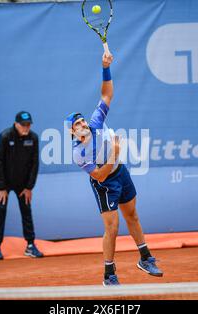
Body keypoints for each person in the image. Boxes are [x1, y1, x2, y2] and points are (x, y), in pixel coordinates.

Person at [65, 52, 163, 286]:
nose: (82, 124)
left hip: (121, 173)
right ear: (72, 133)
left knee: (132, 215)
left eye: (81, 121)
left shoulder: (96, 122)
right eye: (76, 125)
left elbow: (107, 94)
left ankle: (145, 258)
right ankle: (109, 275)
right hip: (104, 183)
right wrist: (114, 154)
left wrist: (105, 67)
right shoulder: (78, 153)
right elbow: (99, 175)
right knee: (112, 227)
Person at [0, 111, 44, 260]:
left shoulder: (33, 138)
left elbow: (35, 164)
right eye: (23, 125)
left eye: (28, 125)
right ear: (16, 124)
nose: (26, 128)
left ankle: (30, 246)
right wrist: (1, 187)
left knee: (26, 211)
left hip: (23, 184)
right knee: (1, 211)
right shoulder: (5, 136)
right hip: (5, 183)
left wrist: (29, 187)